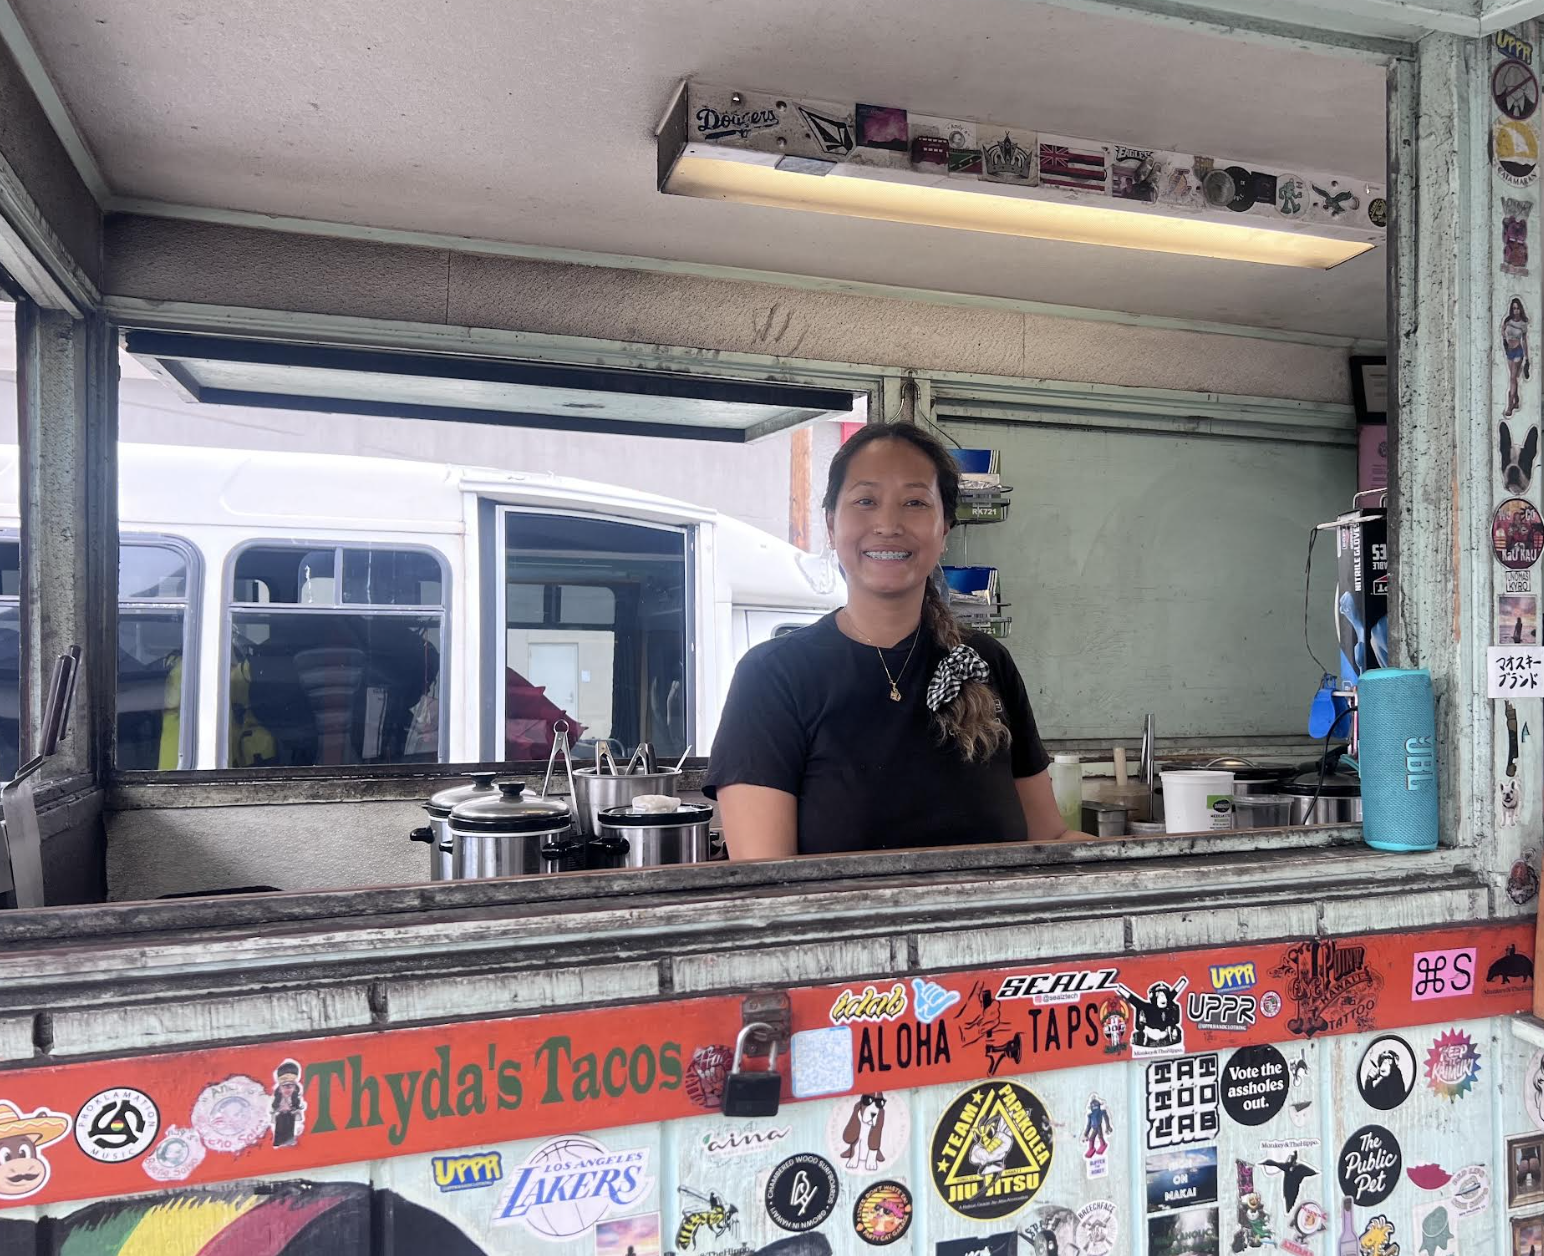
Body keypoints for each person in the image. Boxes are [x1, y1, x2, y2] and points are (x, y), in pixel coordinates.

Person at [706, 422, 1085, 858]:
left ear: (944, 530)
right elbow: (766, 882)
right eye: (865, 501)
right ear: (831, 524)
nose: (888, 524)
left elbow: (1049, 841)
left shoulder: (984, 661)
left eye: (915, 502)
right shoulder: (772, 677)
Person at [1504, 297, 1531, 419]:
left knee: (1512, 378)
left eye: (1517, 308)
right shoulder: (1508, 321)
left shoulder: (1523, 324)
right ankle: (1517, 400)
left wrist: (1527, 358)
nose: (1516, 311)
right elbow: (1503, 331)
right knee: (1513, 378)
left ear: (1520, 309)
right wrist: (1504, 341)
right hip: (1509, 351)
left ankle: (1510, 405)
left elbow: (1524, 341)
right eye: (1514, 308)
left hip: (1518, 351)